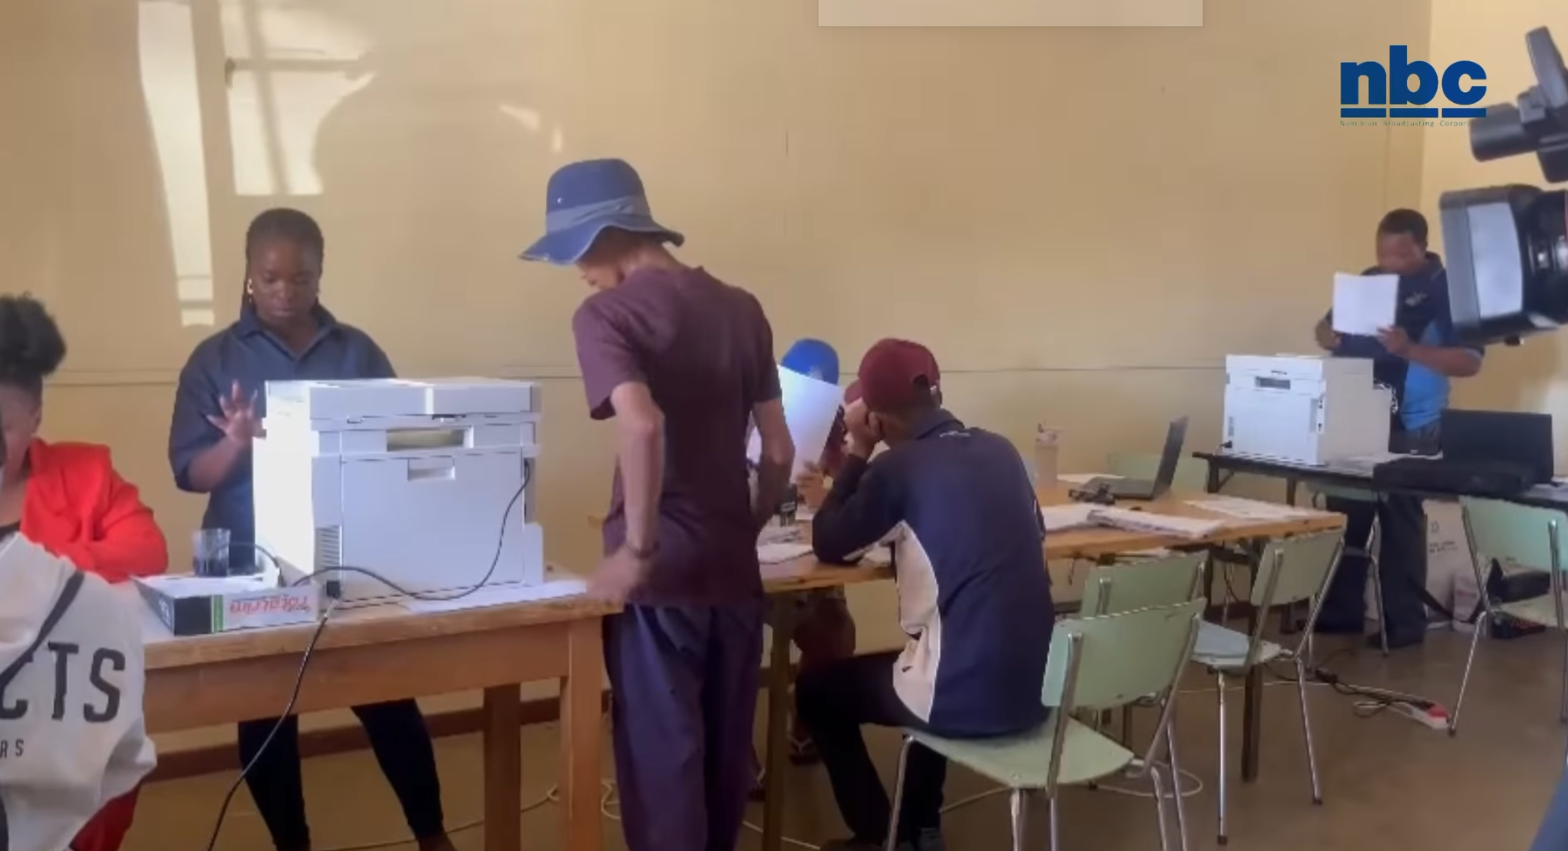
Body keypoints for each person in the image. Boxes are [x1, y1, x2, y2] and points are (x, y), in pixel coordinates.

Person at [522, 158, 794, 851]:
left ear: (603, 234)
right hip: (734, 574)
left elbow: (642, 425)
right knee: (724, 767)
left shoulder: (606, 316)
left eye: (575, 254)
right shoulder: (742, 307)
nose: (578, 274)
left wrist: (637, 549)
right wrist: (745, 524)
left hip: (661, 583)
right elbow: (779, 450)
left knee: (663, 770)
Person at [167, 209, 456, 851]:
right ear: (249, 273)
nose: (284, 292)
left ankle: (432, 834)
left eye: (300, 278)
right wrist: (237, 443)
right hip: (249, 562)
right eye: (270, 278)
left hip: (349, 556)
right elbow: (189, 472)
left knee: (387, 698)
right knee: (266, 712)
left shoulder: (358, 351)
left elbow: (396, 445)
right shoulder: (214, 359)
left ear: (321, 273)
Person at [798, 339, 1055, 851]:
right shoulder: (1002, 450)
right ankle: (921, 828)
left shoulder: (896, 469)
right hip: (1038, 688)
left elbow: (829, 541)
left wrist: (858, 453)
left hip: (965, 692)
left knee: (817, 692)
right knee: (934, 654)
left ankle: (880, 836)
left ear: (875, 418)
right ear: (937, 391)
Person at [0, 294, 166, 851]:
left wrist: (32, 569)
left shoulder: (86, 472)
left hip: (69, 720)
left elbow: (146, 551)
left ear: (35, 416)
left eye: (3, 426)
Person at [1313, 209, 1484, 649]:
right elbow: (1323, 329)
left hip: (1414, 422)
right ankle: (1340, 613)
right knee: (1346, 515)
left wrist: (1410, 349)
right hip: (1357, 414)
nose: (1388, 263)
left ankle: (1403, 625)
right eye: (1382, 254)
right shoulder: (1369, 281)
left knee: (1400, 522)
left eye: (1400, 255)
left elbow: (1470, 362)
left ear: (1422, 248)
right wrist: (1328, 335)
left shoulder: (1450, 289)